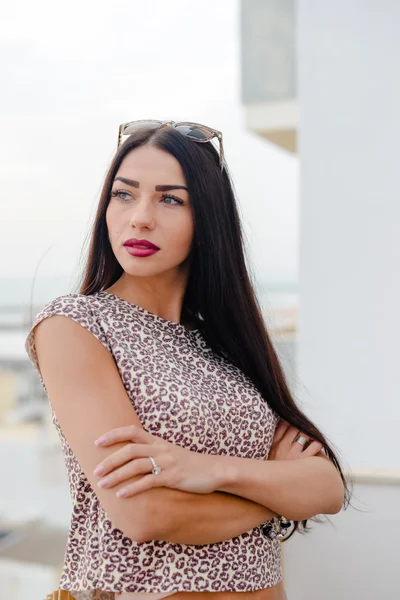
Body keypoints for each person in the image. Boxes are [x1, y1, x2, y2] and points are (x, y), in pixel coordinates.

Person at [25, 120, 349, 600]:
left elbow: (326, 488)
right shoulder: (76, 325)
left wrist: (210, 470)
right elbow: (144, 515)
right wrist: (277, 496)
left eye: (170, 199)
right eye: (124, 194)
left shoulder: (227, 345)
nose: (139, 218)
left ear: (208, 220)